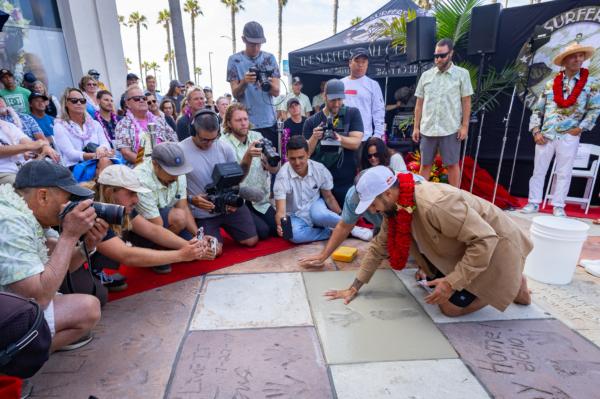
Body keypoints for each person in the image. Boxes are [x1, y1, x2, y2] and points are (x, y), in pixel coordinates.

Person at [325, 166, 533, 317]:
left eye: (372, 204)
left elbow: (485, 240)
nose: (372, 211)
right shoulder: (397, 208)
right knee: (435, 284)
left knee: (450, 308)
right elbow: (379, 246)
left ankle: (511, 283)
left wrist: (452, 282)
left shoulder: (434, 204)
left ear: (388, 193)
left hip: (498, 248)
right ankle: (511, 283)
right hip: (469, 248)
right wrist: (354, 287)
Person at [0, 160, 104, 352]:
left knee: (93, 297)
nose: (71, 205)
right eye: (68, 197)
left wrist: (87, 246)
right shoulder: (10, 221)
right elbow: (37, 297)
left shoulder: (30, 215)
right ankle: (14, 359)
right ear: (43, 196)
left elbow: (61, 264)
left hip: (9, 303)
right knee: (88, 308)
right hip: (11, 309)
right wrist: (70, 234)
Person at [88, 164, 212, 288]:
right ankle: (92, 273)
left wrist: (190, 246)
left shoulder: (113, 205)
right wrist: (181, 255)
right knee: (98, 297)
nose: (136, 200)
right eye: (131, 193)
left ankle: (94, 272)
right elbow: (126, 255)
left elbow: (153, 230)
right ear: (109, 192)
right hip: (70, 268)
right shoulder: (91, 213)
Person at [521, 41, 599, 218]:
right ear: (565, 61)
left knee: (564, 172)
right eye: (574, 56)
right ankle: (533, 202)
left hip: (569, 135)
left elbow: (594, 109)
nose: (578, 59)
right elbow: (538, 109)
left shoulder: (591, 83)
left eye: (581, 56)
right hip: (546, 134)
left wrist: (580, 128)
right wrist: (535, 131)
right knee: (538, 171)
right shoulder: (551, 84)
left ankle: (558, 205)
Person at [181, 110, 259, 254]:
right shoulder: (180, 151)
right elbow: (175, 192)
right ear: (193, 131)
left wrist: (232, 200)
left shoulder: (224, 147)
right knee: (215, 251)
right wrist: (192, 200)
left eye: (214, 138)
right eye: (205, 139)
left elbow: (236, 179)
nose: (209, 143)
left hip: (227, 205)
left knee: (251, 241)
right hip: (203, 211)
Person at [275, 135, 366, 244]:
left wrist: (341, 216)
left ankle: (351, 228)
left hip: (315, 206)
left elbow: (329, 197)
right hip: (294, 214)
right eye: (292, 158)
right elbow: (281, 211)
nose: (297, 163)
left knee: (320, 215)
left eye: (301, 157)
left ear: (308, 154)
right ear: (287, 156)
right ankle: (333, 232)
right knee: (293, 236)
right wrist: (280, 225)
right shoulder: (282, 175)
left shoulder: (319, 169)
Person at [412, 38, 473, 188]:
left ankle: (454, 199)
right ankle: (422, 199)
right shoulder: (426, 75)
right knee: (425, 165)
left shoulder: (462, 74)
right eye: (436, 56)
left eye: (442, 55)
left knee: (452, 165)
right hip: (428, 128)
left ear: (451, 53)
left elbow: (466, 102)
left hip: (450, 128)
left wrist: (464, 126)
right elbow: (419, 104)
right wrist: (416, 127)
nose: (438, 59)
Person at [133, 143, 201, 273]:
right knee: (180, 220)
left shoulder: (179, 174)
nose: (176, 177)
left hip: (168, 219)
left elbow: (184, 207)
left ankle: (167, 250)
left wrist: (198, 237)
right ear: (155, 164)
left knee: (195, 251)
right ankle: (157, 254)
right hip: (144, 228)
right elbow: (155, 227)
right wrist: (189, 247)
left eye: (178, 172)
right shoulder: (141, 179)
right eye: (171, 172)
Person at [222, 103, 279, 239]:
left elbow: (275, 169)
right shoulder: (223, 144)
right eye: (238, 120)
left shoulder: (257, 136)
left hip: (260, 199)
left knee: (276, 229)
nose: (243, 123)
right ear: (229, 123)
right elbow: (229, 179)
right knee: (263, 232)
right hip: (239, 200)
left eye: (245, 119)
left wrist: (270, 161)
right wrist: (248, 155)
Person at [303, 78, 363, 206]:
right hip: (320, 182)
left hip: (346, 179)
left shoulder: (352, 113)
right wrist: (315, 137)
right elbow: (305, 153)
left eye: (340, 99)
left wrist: (339, 138)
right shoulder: (311, 121)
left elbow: (356, 142)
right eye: (333, 100)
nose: (336, 104)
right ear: (324, 97)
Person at [227, 21, 281, 150]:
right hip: (245, 124)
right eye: (252, 44)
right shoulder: (234, 60)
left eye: (259, 44)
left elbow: (277, 92)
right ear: (243, 40)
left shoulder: (270, 58)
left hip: (268, 122)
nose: (256, 48)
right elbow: (235, 93)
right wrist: (244, 82)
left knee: (271, 161)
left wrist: (265, 82)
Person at [52, 88, 113, 172]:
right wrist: (94, 155)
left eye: (82, 100)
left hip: (99, 160)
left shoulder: (95, 124)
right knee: (106, 162)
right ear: (66, 103)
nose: (79, 103)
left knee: (110, 161)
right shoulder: (59, 126)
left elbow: (105, 143)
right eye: (74, 100)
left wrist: (101, 149)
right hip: (76, 166)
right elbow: (70, 154)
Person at [114, 86, 177, 166]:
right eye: (136, 98)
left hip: (166, 163)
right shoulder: (123, 124)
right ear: (127, 103)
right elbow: (126, 153)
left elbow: (174, 139)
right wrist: (149, 164)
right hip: (140, 167)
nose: (141, 100)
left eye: (144, 98)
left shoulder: (159, 120)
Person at [341, 48, 385, 141]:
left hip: (364, 137)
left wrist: (378, 134)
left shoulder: (373, 85)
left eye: (363, 62)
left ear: (367, 64)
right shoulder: (340, 83)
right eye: (357, 61)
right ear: (350, 63)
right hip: (342, 136)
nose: (360, 65)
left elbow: (378, 110)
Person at [0, 119, 59, 185]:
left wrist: (44, 147)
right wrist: (29, 146)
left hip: (25, 167)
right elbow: (31, 145)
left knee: (56, 175)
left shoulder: (8, 125)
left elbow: (30, 143)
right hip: (4, 172)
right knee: (25, 186)